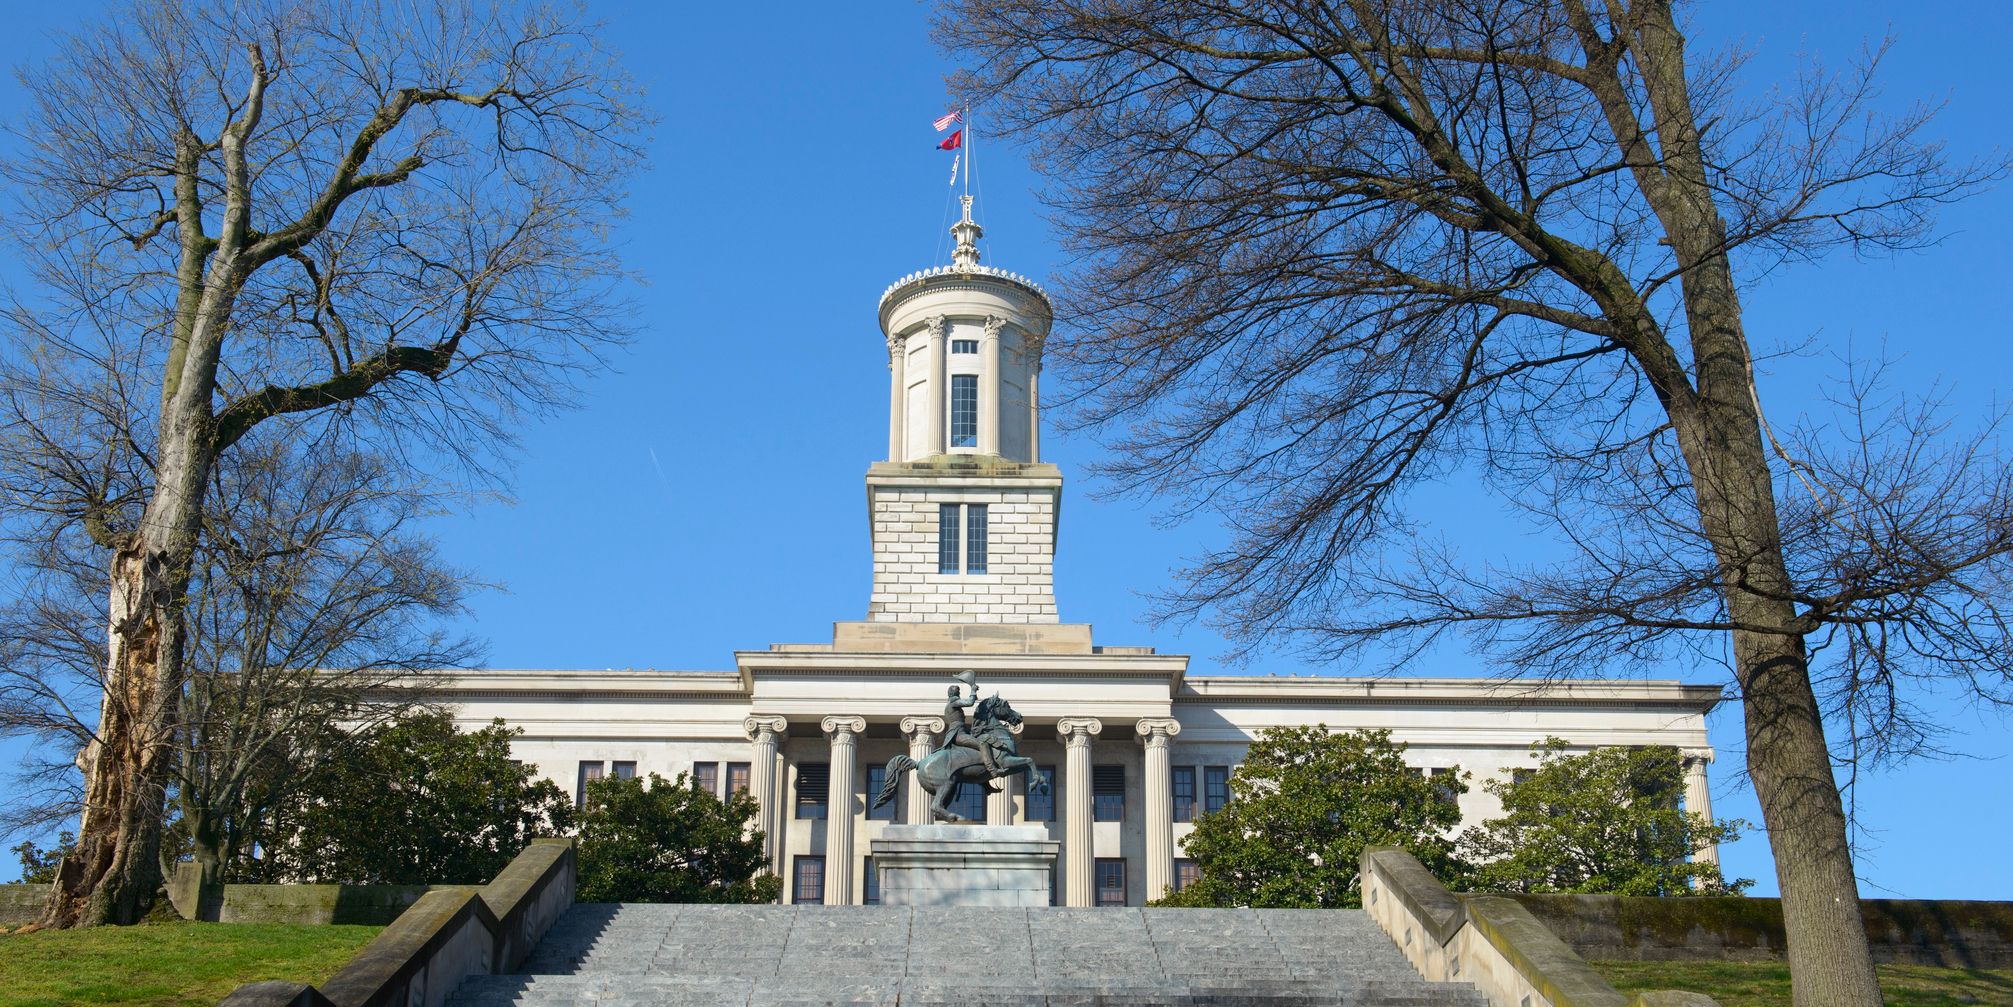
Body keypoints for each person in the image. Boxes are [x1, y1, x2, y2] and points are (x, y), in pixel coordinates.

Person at [938, 670, 1000, 775]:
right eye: (958, 692)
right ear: (954, 694)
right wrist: (973, 690)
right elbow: (970, 702)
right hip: (959, 735)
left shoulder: (950, 705)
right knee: (982, 743)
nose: (959, 694)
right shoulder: (953, 702)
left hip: (961, 732)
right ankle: (992, 769)